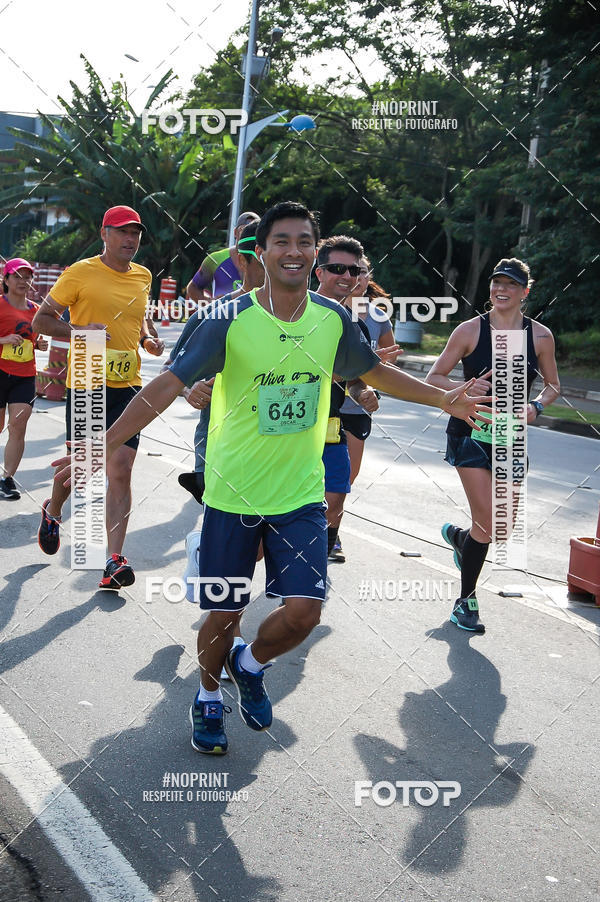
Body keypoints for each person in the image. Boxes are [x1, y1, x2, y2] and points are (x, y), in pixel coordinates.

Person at [53, 201, 491, 755]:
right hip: (234, 494)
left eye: (304, 242)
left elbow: (374, 372)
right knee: (225, 610)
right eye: (281, 241)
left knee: (305, 611)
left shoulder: (332, 321)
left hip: (300, 495)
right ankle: (209, 697)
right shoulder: (228, 318)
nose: (294, 251)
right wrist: (105, 441)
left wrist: (446, 399)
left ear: (313, 250)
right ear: (261, 253)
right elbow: (166, 385)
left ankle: (250, 662)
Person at [425, 257, 560, 634]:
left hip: (511, 437)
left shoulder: (541, 336)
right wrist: (463, 388)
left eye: (511, 285)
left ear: (525, 292)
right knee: (487, 519)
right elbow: (435, 375)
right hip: (470, 431)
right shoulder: (469, 331)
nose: (501, 290)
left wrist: (536, 405)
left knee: (501, 528)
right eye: (496, 283)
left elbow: (553, 386)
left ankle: (460, 539)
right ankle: (465, 602)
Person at [32, 205, 164, 588]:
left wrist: (147, 338)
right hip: (87, 380)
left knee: (120, 469)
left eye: (136, 233)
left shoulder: (143, 275)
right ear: (104, 234)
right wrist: (77, 329)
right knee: (84, 468)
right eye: (123, 232)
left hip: (128, 384)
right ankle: (54, 509)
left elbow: (140, 316)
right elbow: (42, 320)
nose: (131, 239)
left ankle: (113, 561)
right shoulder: (80, 273)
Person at [175, 222, 265, 504]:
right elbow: (173, 370)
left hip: (284, 453)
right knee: (228, 537)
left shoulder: (310, 318)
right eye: (263, 260)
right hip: (221, 447)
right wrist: (190, 390)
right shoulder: (213, 315)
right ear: (242, 260)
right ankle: (202, 546)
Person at [314, 236, 383, 563]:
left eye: (353, 270)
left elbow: (353, 379)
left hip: (330, 426)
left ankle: (315, 568)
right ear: (319, 273)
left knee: (336, 497)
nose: (346, 276)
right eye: (336, 268)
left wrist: (364, 391)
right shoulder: (294, 310)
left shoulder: (357, 324)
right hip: (283, 432)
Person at [0, 258, 48, 500]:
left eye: (27, 276)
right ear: (6, 279)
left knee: (18, 427)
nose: (23, 281)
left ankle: (6, 479)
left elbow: (32, 339)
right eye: (17, 276)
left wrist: (39, 344)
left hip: (24, 376)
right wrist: (3, 340)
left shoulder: (35, 311)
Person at [185, 211, 260, 302]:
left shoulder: (265, 260)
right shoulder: (216, 259)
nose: (248, 235)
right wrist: (209, 304)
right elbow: (193, 288)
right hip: (225, 315)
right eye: (243, 230)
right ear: (235, 232)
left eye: (255, 232)